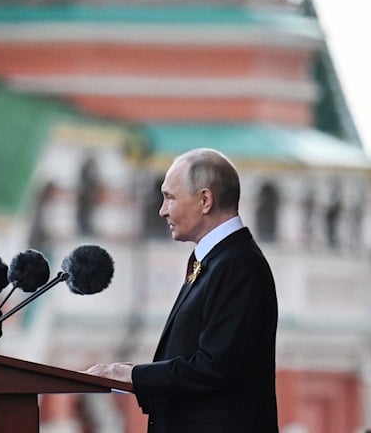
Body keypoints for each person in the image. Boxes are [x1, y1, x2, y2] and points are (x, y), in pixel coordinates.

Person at [86, 148, 278, 432]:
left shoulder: (238, 265)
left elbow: (215, 369)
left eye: (170, 198)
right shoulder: (215, 259)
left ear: (204, 200)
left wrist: (132, 376)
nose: (162, 210)